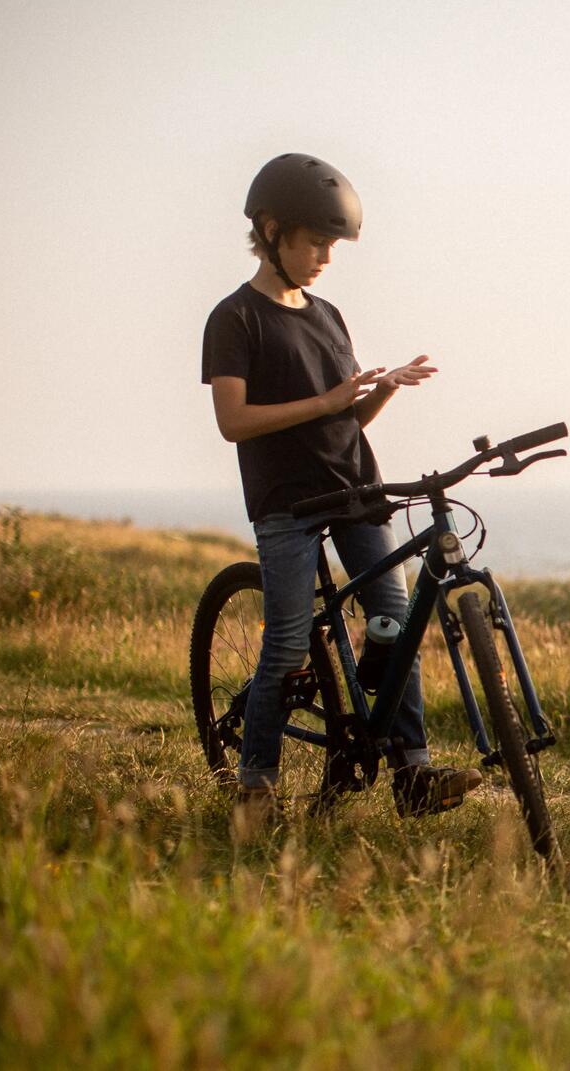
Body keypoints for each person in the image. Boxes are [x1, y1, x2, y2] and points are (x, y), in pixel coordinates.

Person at [200, 152, 482, 833]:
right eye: (314, 242)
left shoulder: (327, 314)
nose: (325, 256)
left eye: (332, 245)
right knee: (288, 644)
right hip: (287, 505)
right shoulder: (235, 319)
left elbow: (342, 418)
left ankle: (412, 770)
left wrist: (378, 390)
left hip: (355, 490)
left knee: (398, 625)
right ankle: (256, 786)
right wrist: (325, 397)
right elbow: (233, 422)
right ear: (270, 231)